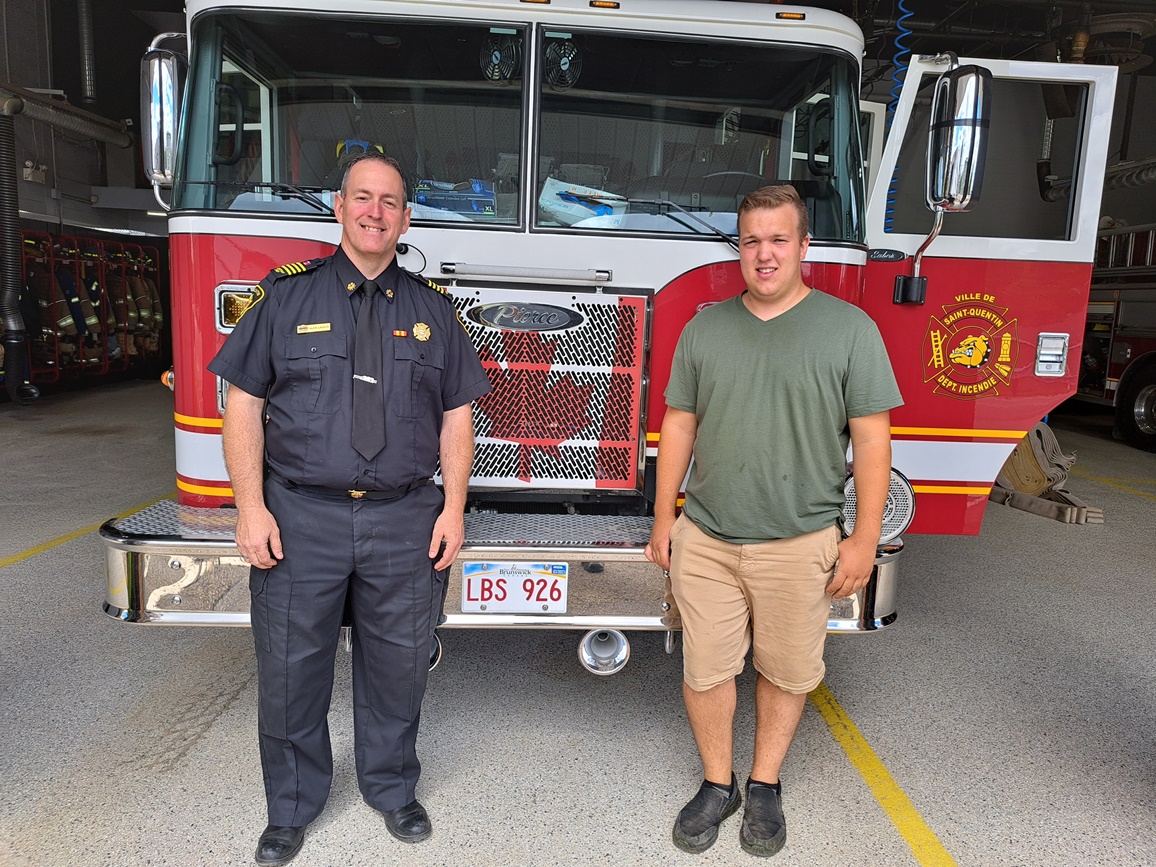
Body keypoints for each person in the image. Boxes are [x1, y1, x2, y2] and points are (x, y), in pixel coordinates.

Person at [208, 152, 491, 866]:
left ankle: (393, 789)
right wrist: (250, 508)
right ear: (339, 208)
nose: (375, 212)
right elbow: (241, 402)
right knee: (290, 669)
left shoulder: (434, 310)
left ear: (405, 216)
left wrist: (453, 508)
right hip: (301, 515)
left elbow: (459, 415)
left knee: (397, 666)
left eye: (389, 201)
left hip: (404, 518)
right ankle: (292, 808)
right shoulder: (284, 298)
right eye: (362, 198)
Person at [644, 185, 902, 858]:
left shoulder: (850, 331)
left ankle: (763, 784)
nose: (764, 254)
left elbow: (873, 441)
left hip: (801, 541)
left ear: (804, 246)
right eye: (751, 240)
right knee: (706, 672)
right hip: (706, 538)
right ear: (740, 248)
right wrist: (664, 515)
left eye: (778, 239)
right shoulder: (705, 328)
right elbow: (679, 422)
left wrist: (864, 536)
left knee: (787, 672)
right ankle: (717, 782)